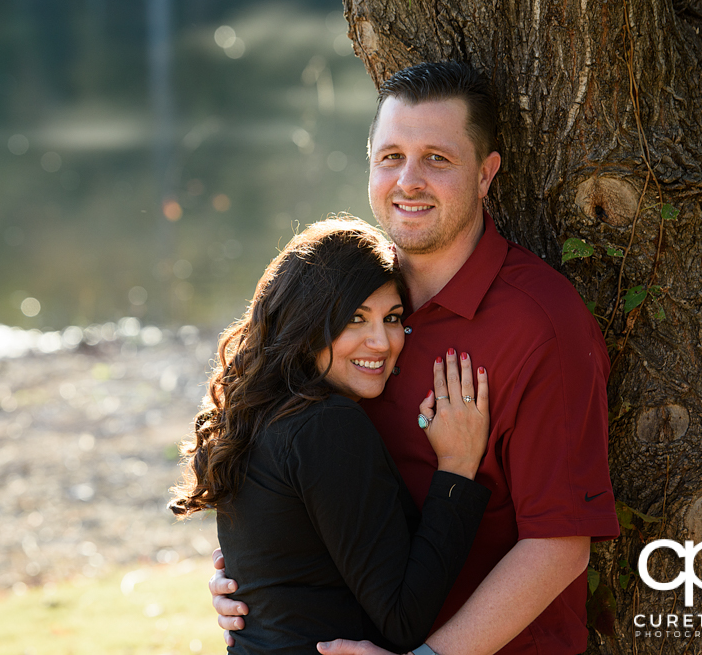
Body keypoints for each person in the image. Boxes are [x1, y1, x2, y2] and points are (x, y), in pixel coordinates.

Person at [211, 61, 620, 655]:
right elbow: (289, 455)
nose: (408, 181)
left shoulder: (542, 326)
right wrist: (261, 580)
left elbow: (560, 542)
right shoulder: (343, 302)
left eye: (438, 159)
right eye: (390, 156)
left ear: (486, 175)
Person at [169, 217, 492, 654]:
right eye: (355, 319)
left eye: (392, 318)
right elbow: (403, 618)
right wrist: (457, 469)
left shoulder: (260, 414)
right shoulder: (326, 425)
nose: (381, 342)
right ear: (308, 321)